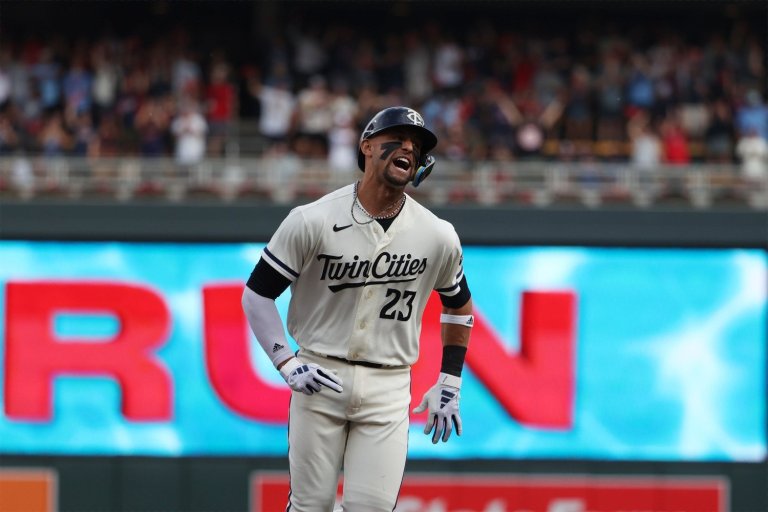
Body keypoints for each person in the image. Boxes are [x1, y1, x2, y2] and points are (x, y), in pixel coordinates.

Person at [241, 106, 474, 511]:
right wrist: (285, 362)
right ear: (366, 146)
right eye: (397, 139)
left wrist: (450, 380)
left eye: (416, 146)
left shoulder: (437, 234)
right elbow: (257, 294)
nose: (408, 148)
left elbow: (458, 305)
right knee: (310, 506)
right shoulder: (311, 219)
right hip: (319, 373)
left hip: (389, 385)